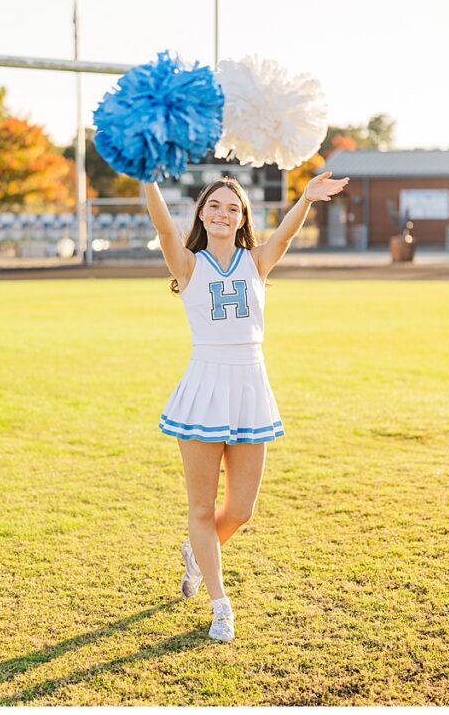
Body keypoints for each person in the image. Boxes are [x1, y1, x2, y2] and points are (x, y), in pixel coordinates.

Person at [145, 171, 349, 642]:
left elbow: (287, 233)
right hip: (205, 386)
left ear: (241, 220)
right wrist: (147, 179)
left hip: (249, 387)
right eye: (214, 206)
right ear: (202, 213)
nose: (222, 213)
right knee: (201, 506)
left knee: (240, 509)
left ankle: (198, 552)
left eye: (232, 208)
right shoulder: (189, 265)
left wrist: (306, 198)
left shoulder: (255, 262)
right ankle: (220, 605)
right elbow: (163, 229)